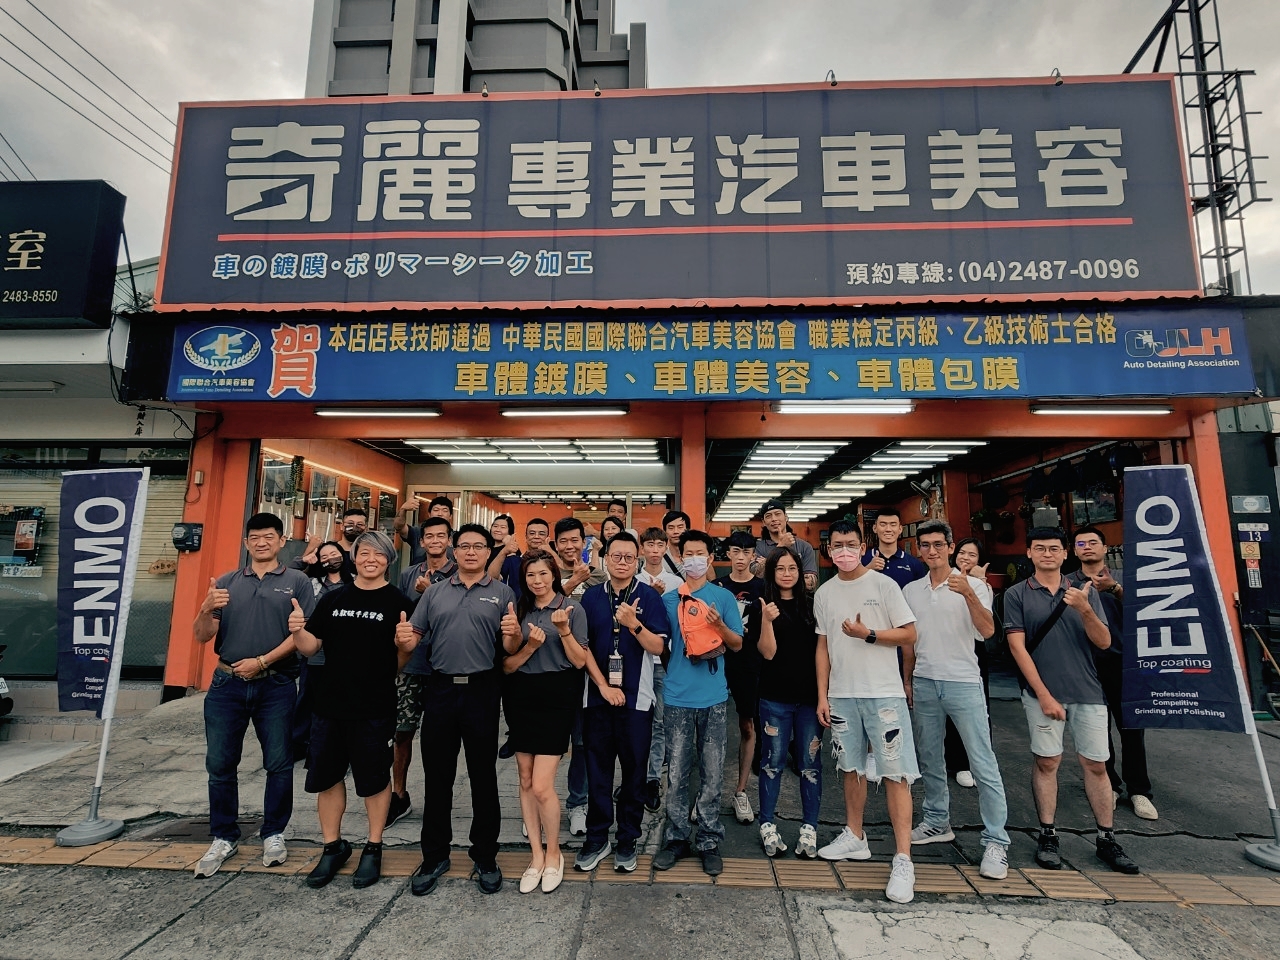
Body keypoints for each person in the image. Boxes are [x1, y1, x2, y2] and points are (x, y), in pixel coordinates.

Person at [1005, 527, 1140, 875]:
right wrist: (1043, 695)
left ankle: (1106, 837)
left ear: (1065, 553)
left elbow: (1104, 641)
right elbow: (1018, 648)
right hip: (1041, 694)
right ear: (1029, 553)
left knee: (1096, 764)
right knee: (1047, 762)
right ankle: (1048, 834)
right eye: (1039, 548)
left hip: (1088, 690)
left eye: (1054, 549)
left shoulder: (1084, 591)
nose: (1047, 554)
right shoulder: (1017, 594)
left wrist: (1085, 609)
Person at [289, 531, 418, 889]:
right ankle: (333, 846)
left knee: (374, 780)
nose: (370, 559)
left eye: (379, 554)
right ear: (354, 558)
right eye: (364, 553)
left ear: (389, 560)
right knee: (327, 778)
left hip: (374, 706)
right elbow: (311, 647)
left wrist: (405, 646)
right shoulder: (334, 599)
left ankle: (373, 847)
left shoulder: (399, 602)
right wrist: (298, 631)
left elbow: (400, 661)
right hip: (329, 704)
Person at [191, 513, 315, 878]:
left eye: (269, 536)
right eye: (255, 537)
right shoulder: (227, 582)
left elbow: (301, 636)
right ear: (247, 543)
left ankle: (273, 832)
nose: (262, 543)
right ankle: (223, 836)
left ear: (281, 541)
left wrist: (262, 661)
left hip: (275, 685)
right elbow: (201, 636)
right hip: (226, 685)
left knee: (278, 762)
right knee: (220, 764)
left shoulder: (297, 582)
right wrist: (205, 608)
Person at [403, 523, 519, 896]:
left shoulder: (502, 592)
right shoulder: (434, 592)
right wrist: (403, 640)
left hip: (482, 691)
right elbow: (413, 636)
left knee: (483, 777)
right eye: (464, 546)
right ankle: (434, 856)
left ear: (488, 552)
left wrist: (515, 634)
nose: (471, 552)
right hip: (440, 689)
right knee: (437, 778)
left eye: (478, 546)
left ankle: (485, 856)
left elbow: (511, 646)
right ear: (454, 551)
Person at [813, 520, 920, 905]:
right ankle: (855, 836)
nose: (844, 551)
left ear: (863, 547)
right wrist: (823, 694)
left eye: (850, 544)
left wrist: (869, 635)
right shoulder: (824, 592)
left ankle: (903, 858)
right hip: (843, 695)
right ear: (829, 551)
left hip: (883, 694)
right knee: (851, 768)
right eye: (837, 545)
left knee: (895, 772)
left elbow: (909, 634)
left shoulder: (884, 585)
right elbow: (822, 646)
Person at [901, 520, 1010, 880]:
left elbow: (988, 631)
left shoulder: (975, 585)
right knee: (930, 757)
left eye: (938, 544)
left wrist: (968, 594)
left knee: (982, 762)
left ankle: (996, 840)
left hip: (963, 681)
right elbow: (910, 641)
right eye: (925, 545)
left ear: (950, 547)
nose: (932, 551)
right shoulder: (912, 590)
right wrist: (907, 680)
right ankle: (936, 820)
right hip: (925, 680)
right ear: (918, 550)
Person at [575, 532, 671, 873]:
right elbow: (582, 648)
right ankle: (597, 837)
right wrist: (602, 687)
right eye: (616, 556)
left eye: (629, 557)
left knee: (634, 773)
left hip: (636, 701)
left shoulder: (649, 597)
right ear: (606, 559)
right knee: (598, 771)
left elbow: (659, 647)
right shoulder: (591, 598)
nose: (622, 562)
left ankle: (628, 838)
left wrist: (634, 625)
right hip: (597, 698)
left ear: (637, 561)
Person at [652, 530, 744, 878]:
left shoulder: (723, 597)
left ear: (710, 558)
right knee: (677, 773)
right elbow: (661, 645)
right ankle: (675, 838)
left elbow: (737, 644)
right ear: (680, 558)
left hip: (714, 697)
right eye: (687, 553)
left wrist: (719, 625)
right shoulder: (668, 600)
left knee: (712, 772)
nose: (693, 559)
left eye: (699, 553)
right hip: (676, 696)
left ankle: (708, 840)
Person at [501, 549, 590, 894]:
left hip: (558, 696)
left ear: (554, 574)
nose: (537, 581)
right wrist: (526, 647)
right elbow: (507, 665)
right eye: (530, 575)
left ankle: (554, 853)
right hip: (521, 696)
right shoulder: (519, 610)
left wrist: (563, 630)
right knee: (524, 779)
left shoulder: (572, 608)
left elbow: (580, 661)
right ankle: (536, 856)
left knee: (541, 785)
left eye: (543, 574)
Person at [1069, 525, 1157, 821]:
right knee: (1097, 730)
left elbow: (1147, 612)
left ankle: (1139, 790)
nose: (1087, 547)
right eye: (1081, 543)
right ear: (1074, 550)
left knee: (1132, 729)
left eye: (1093, 542)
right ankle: (1110, 785)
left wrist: (1115, 589)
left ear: (1105, 548)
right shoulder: (1069, 582)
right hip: (1087, 665)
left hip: (1125, 664)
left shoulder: (1123, 579)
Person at [748, 546, 822, 859]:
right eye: (780, 568)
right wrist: (766, 620)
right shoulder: (761, 606)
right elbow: (767, 653)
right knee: (772, 764)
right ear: (771, 573)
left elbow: (823, 652)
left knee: (810, 765)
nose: (787, 574)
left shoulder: (813, 606)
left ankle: (810, 827)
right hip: (774, 698)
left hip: (810, 699)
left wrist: (824, 696)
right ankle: (767, 824)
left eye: (792, 568)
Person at [389, 515, 456, 829]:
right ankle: (398, 794)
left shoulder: (459, 574)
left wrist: (432, 592)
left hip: (443, 665)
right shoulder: (408, 574)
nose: (435, 541)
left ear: (449, 540)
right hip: (412, 665)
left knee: (440, 737)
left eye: (441, 536)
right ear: (422, 541)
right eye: (429, 536)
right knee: (402, 732)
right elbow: (403, 616)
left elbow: (456, 619)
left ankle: (438, 798)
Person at [552, 516, 606, 836]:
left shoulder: (599, 576)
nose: (570, 546)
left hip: (587, 670)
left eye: (576, 540)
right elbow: (538, 610)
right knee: (547, 744)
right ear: (556, 545)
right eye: (564, 541)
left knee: (583, 743)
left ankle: (577, 803)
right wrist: (571, 582)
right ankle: (541, 805)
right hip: (551, 672)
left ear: (584, 543)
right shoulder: (547, 574)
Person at [715, 529, 765, 825]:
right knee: (712, 729)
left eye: (746, 552)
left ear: (753, 555)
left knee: (747, 725)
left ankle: (741, 790)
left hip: (750, 664)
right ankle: (708, 793)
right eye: (736, 551)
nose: (741, 557)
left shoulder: (763, 588)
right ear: (728, 554)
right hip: (718, 663)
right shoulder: (717, 586)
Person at [636, 526, 684, 812]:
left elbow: (679, 624)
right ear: (642, 548)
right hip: (637, 662)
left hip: (665, 662)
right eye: (649, 545)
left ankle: (652, 778)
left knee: (660, 723)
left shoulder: (676, 582)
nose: (654, 550)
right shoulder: (633, 580)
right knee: (636, 722)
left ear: (666, 547)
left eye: (659, 545)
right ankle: (634, 777)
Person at [293, 541, 350, 762]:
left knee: (340, 701)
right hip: (314, 653)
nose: (330, 559)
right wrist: (304, 560)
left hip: (344, 654)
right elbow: (287, 576)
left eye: (334, 554)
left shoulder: (354, 582)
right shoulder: (310, 583)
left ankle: (337, 747)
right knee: (308, 699)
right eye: (324, 556)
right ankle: (301, 744)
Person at [945, 538, 994, 788]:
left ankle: (978, 763)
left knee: (978, 710)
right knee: (949, 711)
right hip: (947, 648)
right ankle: (958, 763)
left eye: (972, 555)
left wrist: (977, 586)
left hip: (973, 651)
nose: (965, 558)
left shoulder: (981, 586)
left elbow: (984, 630)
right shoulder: (942, 579)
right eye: (962, 552)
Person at [751, 499, 818, 591]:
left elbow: (810, 585)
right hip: (767, 598)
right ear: (764, 522)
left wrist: (767, 565)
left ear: (786, 517)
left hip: (797, 599)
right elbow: (755, 577)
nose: (774, 519)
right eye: (768, 516)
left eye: (777, 514)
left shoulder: (804, 547)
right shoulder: (757, 547)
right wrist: (781, 546)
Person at [862, 507, 927, 589]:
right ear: (875, 528)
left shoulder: (914, 564)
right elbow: (852, 589)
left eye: (893, 525)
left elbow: (922, 592)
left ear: (900, 529)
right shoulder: (862, 560)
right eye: (883, 524)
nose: (888, 529)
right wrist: (868, 570)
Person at [295, 508, 365, 578]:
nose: (354, 527)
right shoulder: (326, 550)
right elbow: (298, 574)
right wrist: (311, 548)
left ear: (365, 528)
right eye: (350, 523)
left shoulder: (366, 554)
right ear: (342, 526)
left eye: (359, 524)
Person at [395, 495, 455, 565]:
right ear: (429, 514)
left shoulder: (457, 537)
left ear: (450, 516)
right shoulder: (418, 532)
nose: (440, 514)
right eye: (436, 510)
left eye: (445, 510)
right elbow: (399, 526)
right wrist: (403, 509)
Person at [486, 514, 525, 590]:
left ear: (509, 531)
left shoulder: (513, 549)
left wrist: (508, 545)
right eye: (495, 526)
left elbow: (514, 574)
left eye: (503, 527)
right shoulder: (485, 547)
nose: (498, 530)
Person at [660, 510, 690, 577]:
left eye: (680, 527)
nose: (675, 531)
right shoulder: (659, 558)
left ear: (687, 529)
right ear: (665, 531)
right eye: (671, 528)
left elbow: (711, 580)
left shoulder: (696, 556)